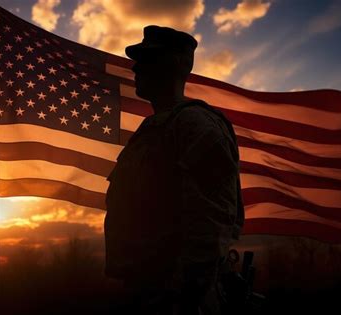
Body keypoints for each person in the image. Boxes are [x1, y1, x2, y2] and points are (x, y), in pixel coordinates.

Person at [103, 25, 244, 314]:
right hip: (146, 291)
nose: (136, 68)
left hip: (177, 300)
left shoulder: (195, 125)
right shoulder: (154, 128)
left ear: (175, 65)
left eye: (147, 59)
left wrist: (180, 299)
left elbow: (210, 225)